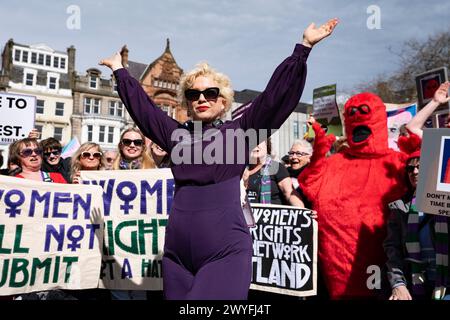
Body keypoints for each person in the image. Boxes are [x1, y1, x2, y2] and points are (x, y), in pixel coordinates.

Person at [100, 18, 338, 300]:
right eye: (193, 94)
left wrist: (303, 48)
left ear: (223, 101)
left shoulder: (240, 131)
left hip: (225, 252)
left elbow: (275, 98)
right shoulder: (175, 135)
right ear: (187, 102)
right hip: (176, 257)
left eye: (210, 93)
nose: (202, 98)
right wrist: (120, 71)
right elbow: (145, 112)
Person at [384, 149, 450, 300]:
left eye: (420, 167)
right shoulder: (399, 208)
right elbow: (392, 248)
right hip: (416, 285)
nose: (414, 171)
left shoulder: (446, 201)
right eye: (410, 168)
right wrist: (398, 284)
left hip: (445, 284)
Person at [110, 127, 156, 300]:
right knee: (118, 292)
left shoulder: (154, 172)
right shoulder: (108, 173)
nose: (132, 145)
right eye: (127, 142)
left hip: (143, 242)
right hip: (117, 241)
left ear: (143, 147)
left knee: (139, 292)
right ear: (120, 145)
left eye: (137, 142)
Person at [245, 139, 305, 207]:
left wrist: (302, 212)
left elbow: (289, 193)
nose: (255, 145)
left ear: (267, 146)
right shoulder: (239, 170)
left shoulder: (276, 167)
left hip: (268, 216)